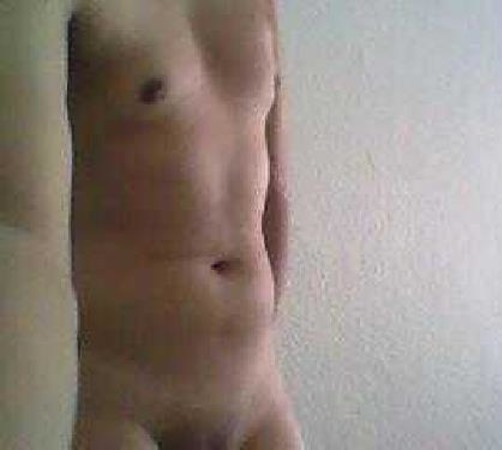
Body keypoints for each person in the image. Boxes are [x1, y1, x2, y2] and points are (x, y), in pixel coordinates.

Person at [1, 0, 301, 448]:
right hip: (116, 404)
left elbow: (275, 189)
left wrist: (250, 337)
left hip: (257, 395)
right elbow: (22, 238)